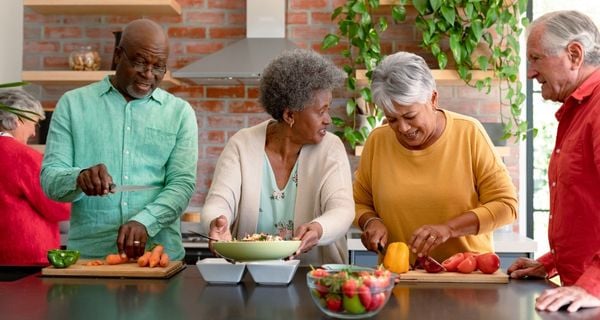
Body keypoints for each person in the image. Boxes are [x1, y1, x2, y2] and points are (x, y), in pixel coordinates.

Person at [41, 19, 198, 261]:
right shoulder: (73, 105)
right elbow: (50, 179)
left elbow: (182, 185)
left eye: (159, 67)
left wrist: (145, 221)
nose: (148, 75)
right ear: (117, 56)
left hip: (158, 259)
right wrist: (79, 177)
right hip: (90, 260)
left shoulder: (179, 113)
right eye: (140, 62)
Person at [354, 51, 517, 264]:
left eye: (410, 116)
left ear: (432, 98)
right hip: (400, 277)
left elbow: (506, 205)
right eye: (392, 119)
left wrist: (449, 229)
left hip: (466, 276)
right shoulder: (378, 141)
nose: (402, 128)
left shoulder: (469, 133)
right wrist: (371, 222)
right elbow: (359, 202)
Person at [200, 49, 354, 265]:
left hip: (312, 276)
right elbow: (219, 201)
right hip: (248, 275)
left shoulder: (331, 148)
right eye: (321, 111)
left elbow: (342, 209)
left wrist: (319, 229)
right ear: (289, 115)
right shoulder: (241, 144)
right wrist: (216, 222)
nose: (328, 119)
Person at [507, 10, 600, 312]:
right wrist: (550, 263)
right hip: (580, 294)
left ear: (574, 54)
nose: (530, 73)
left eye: (535, 59)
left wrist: (593, 285)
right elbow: (584, 206)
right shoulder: (577, 110)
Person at [0, 89, 70, 265]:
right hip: (25, 254)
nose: (33, 132)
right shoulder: (23, 156)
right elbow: (56, 206)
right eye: (34, 123)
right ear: (17, 120)